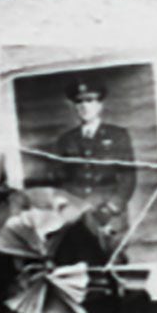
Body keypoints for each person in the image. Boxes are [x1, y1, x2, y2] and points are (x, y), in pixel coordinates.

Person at [43, 78, 138, 265]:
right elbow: (57, 180)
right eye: (79, 101)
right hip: (77, 214)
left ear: (100, 105)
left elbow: (128, 177)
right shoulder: (66, 140)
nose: (84, 106)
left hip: (110, 213)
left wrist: (112, 207)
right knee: (80, 263)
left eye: (90, 100)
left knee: (114, 264)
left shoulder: (117, 136)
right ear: (74, 106)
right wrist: (66, 207)